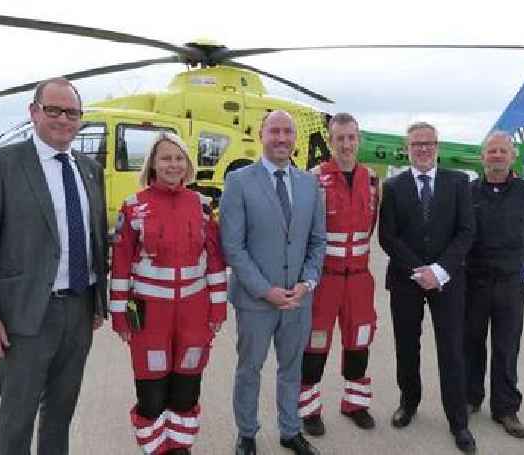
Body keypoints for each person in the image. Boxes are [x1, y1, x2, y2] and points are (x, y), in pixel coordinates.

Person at [0, 77, 107, 455]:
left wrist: (97, 301)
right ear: (33, 112)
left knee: (61, 413)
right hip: (22, 317)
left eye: (71, 112)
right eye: (53, 110)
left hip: (79, 308)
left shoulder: (89, 169)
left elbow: (94, 238)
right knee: (17, 417)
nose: (63, 119)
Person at [109, 132, 227, 454]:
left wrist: (218, 310)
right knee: (152, 395)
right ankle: (157, 449)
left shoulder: (203, 206)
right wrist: (120, 315)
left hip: (194, 314)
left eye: (179, 158)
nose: (173, 165)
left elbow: (215, 262)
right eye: (166, 158)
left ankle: (180, 446)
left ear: (187, 165)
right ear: (153, 163)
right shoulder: (133, 207)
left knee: (187, 389)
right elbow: (120, 265)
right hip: (150, 317)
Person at [220, 110, 326, 455]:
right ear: (261, 135)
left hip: (298, 299)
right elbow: (232, 246)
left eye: (288, 132)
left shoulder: (310, 184)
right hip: (256, 300)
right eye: (274, 131)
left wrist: (308, 282)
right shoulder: (239, 182)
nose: (282, 138)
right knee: (250, 368)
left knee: (291, 368)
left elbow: (317, 241)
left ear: (295, 138)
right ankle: (247, 434)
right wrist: (265, 289)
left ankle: (290, 430)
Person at [378, 121, 477, 453]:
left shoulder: (459, 182)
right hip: (407, 280)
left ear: (438, 146)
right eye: (416, 144)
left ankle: (457, 421)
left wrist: (439, 270)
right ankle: (409, 402)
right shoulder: (393, 186)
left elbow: (466, 232)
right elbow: (387, 236)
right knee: (407, 346)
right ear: (407, 148)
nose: (422, 148)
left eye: (428, 143)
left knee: (452, 350)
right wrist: (418, 269)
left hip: (448, 281)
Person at [299, 113, 379, 436]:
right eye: (340, 138)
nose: (346, 144)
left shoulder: (373, 180)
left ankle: (355, 404)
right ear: (330, 142)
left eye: (351, 138)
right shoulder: (313, 179)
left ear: (358, 139)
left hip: (360, 279)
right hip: (325, 279)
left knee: (359, 342)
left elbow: (372, 227)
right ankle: (309, 409)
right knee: (315, 345)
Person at [464, 131, 524, 439]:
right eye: (491, 151)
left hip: (510, 286)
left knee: (506, 347)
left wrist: (522, 263)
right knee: (470, 344)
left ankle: (506, 408)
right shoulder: (468, 192)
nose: (497, 155)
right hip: (474, 283)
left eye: (503, 151)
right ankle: (470, 399)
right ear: (483, 157)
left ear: (512, 157)